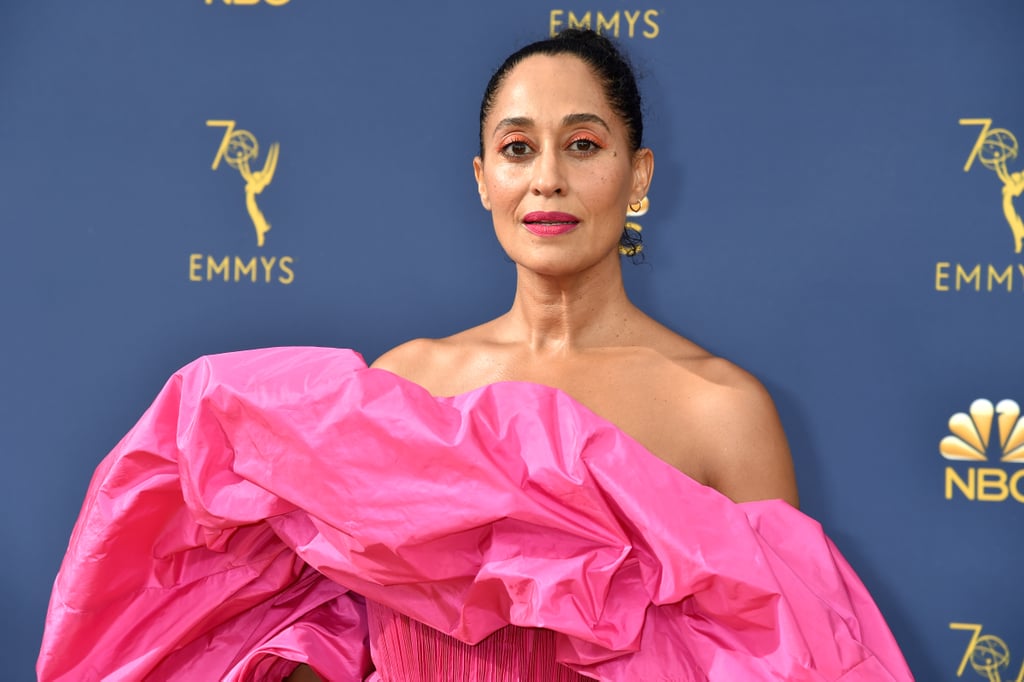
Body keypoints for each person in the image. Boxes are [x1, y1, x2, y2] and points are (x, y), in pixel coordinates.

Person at [39, 29, 911, 682]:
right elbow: (320, 637)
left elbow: (794, 660)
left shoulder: (720, 412)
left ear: (637, 176)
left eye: (584, 145)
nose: (548, 180)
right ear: (483, 178)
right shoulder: (401, 388)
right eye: (518, 149)